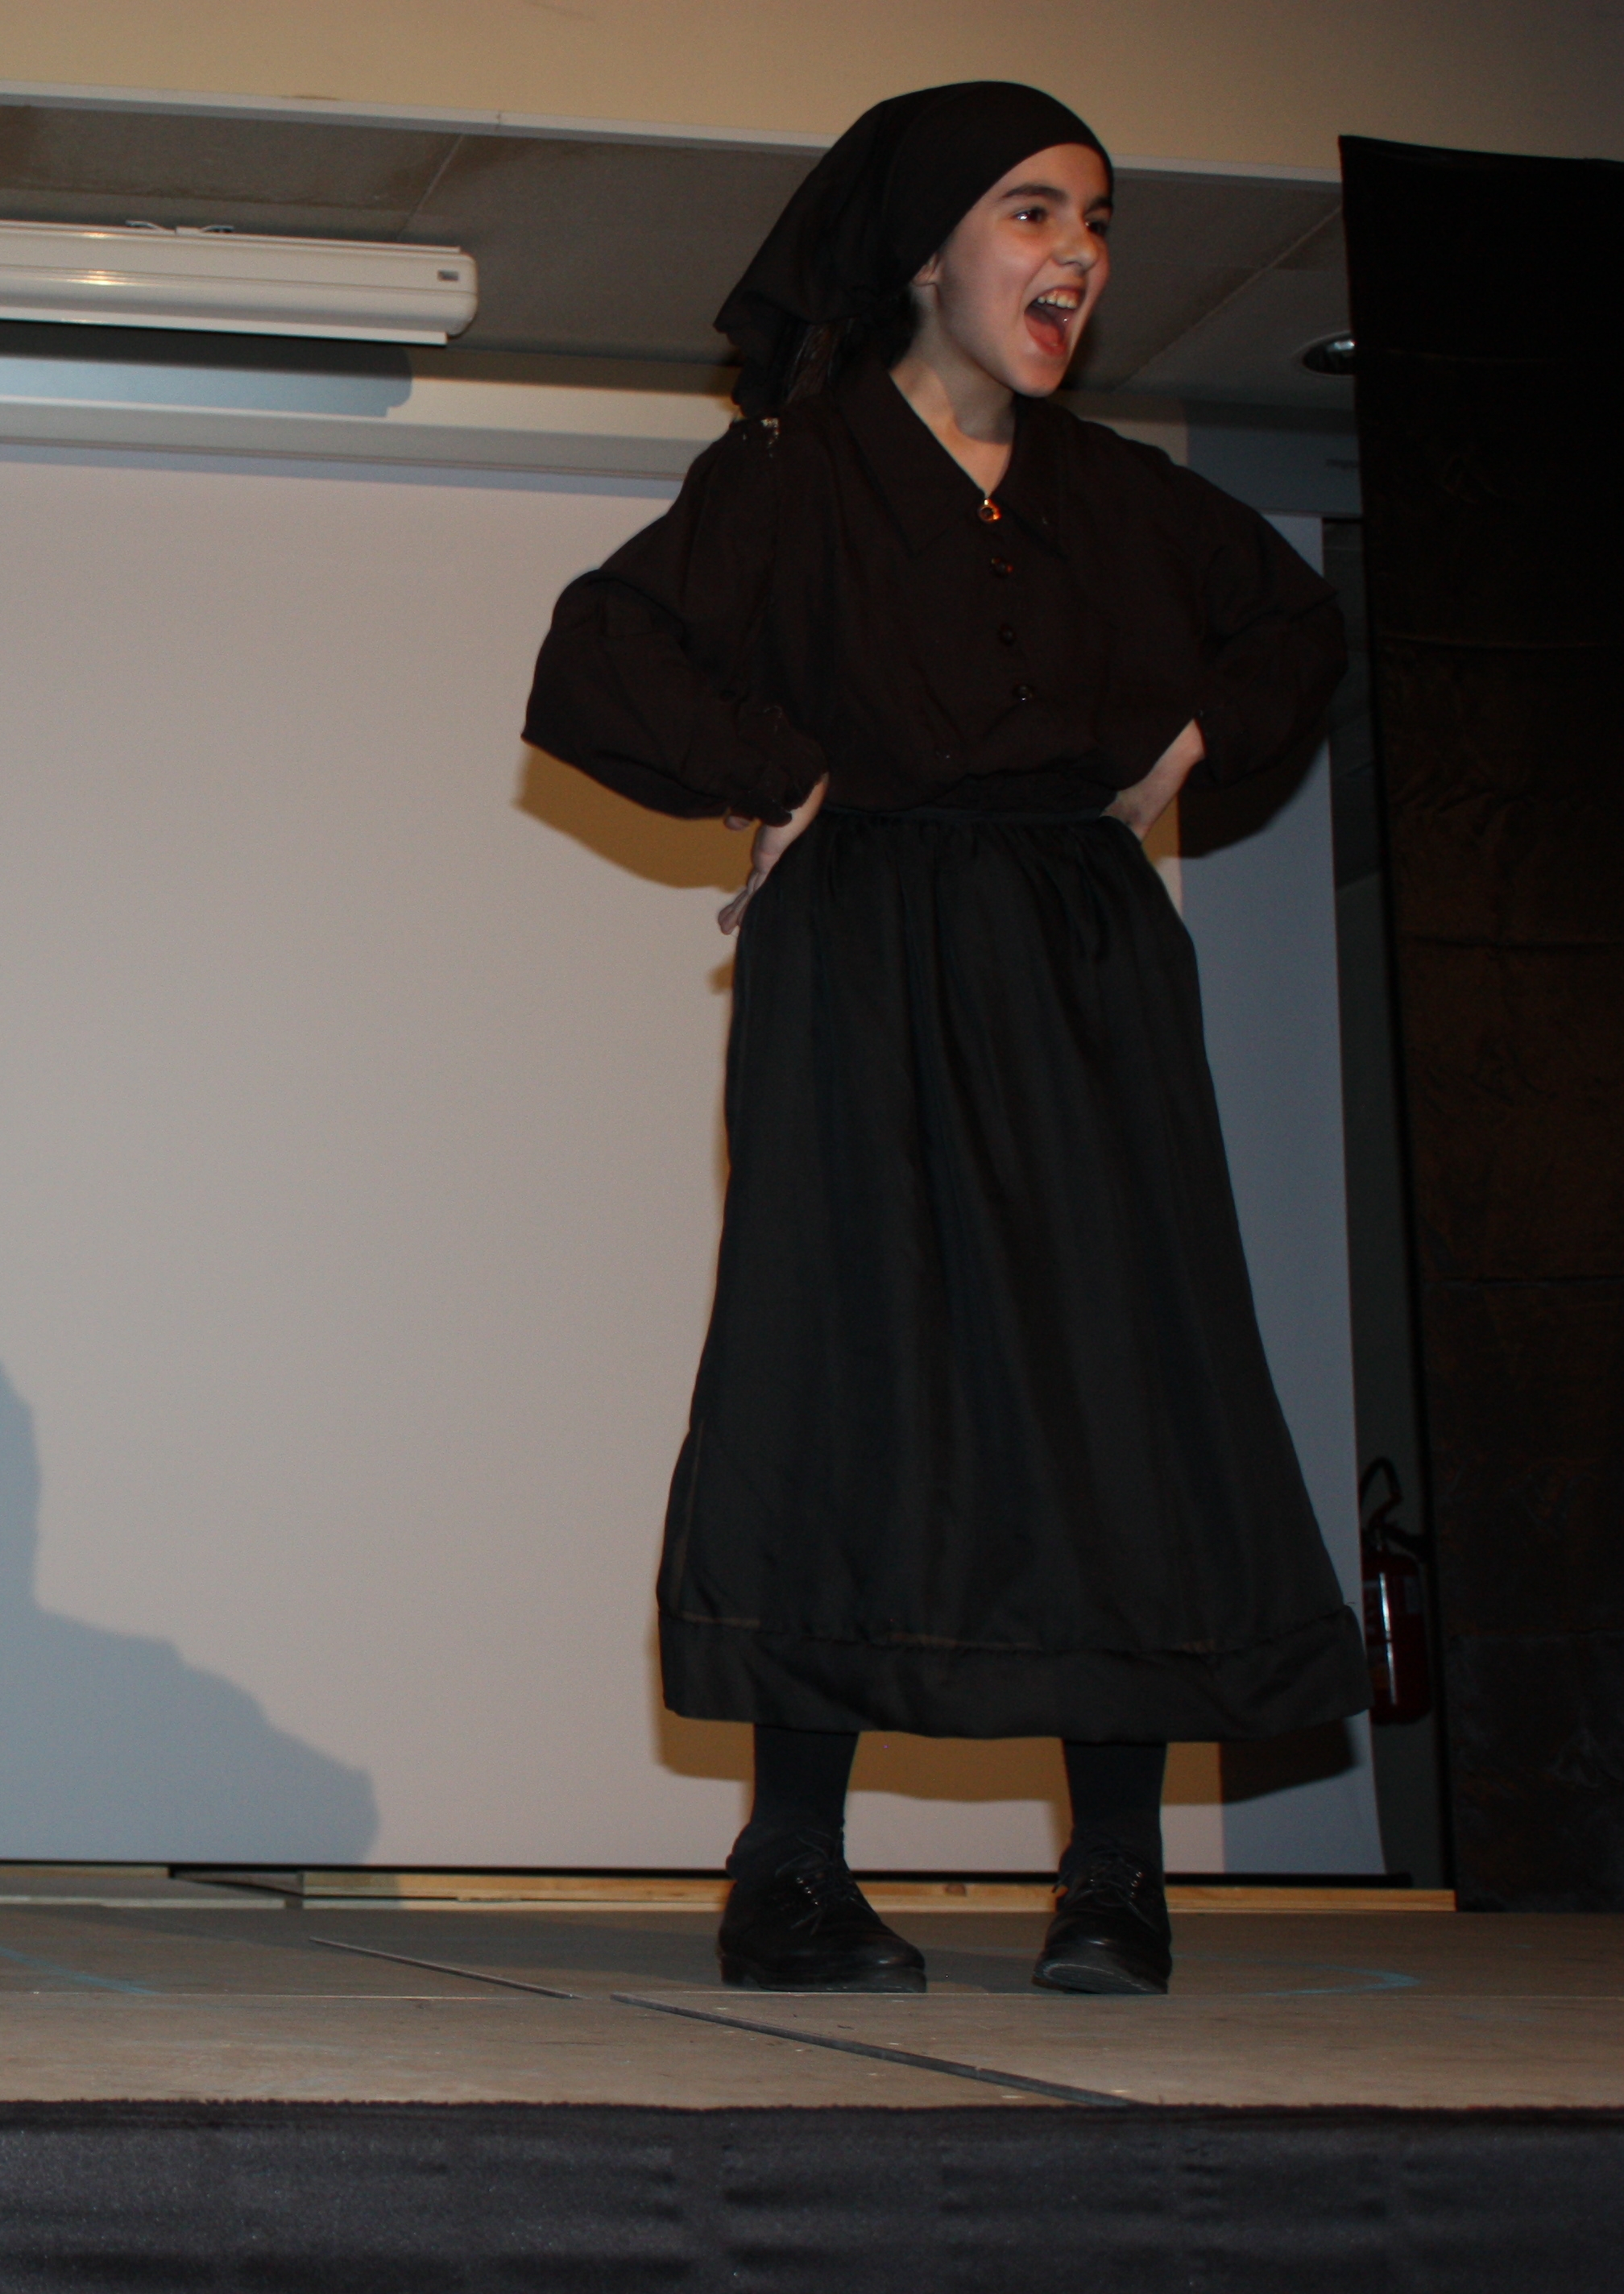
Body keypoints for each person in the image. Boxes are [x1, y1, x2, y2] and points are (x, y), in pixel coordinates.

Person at [523, 85, 1364, 1997]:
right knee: (843, 1367)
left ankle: (1117, 1869)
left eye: (1098, 219)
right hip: (865, 948)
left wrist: (1190, 744)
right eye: (1033, 210)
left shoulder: (1122, 495)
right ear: (924, 252)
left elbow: (1296, 629)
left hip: (1080, 956)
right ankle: (791, 1871)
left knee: (1113, 1374)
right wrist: (780, 770)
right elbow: (597, 655)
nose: (1078, 253)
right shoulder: (795, 473)